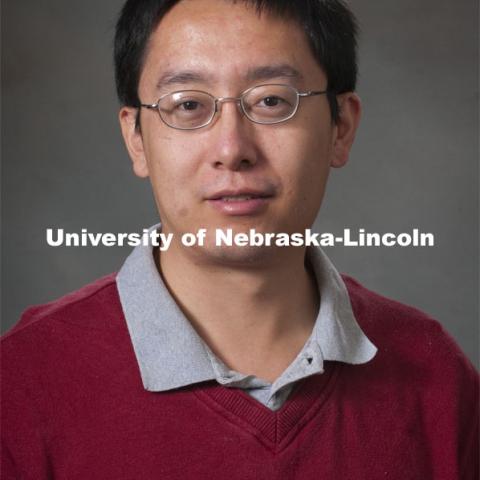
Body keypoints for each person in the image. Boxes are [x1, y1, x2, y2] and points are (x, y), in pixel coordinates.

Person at [1, 0, 478, 478]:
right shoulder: (21, 382)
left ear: (341, 127)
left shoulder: (435, 376)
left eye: (272, 100)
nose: (232, 149)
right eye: (188, 105)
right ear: (136, 138)